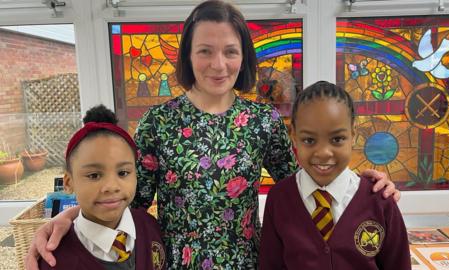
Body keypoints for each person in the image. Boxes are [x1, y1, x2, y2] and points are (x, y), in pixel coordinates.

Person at [26, 1, 400, 269]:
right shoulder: (159, 122)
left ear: (244, 57)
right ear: (188, 55)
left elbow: (308, 182)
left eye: (230, 52)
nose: (218, 64)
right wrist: (69, 218)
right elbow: (125, 201)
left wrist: (369, 187)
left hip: (251, 262)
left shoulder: (262, 119)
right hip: (175, 263)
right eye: (205, 51)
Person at [259, 81, 410, 270]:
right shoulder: (279, 198)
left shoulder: (380, 200)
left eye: (337, 139)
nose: (323, 152)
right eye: (309, 140)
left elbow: (399, 264)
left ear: (353, 134)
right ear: (294, 137)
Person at [39, 105, 166, 270]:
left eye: (123, 172)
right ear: (69, 182)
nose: (111, 187)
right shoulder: (55, 260)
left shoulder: (149, 227)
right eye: (94, 175)